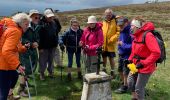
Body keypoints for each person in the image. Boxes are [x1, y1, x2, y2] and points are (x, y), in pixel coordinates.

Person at [127, 16, 161, 100]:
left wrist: (143, 63)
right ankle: (135, 98)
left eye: (132, 26)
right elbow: (134, 51)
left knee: (139, 88)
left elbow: (156, 53)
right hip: (135, 65)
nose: (130, 27)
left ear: (137, 26)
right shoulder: (136, 35)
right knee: (130, 82)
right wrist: (129, 60)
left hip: (146, 66)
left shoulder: (148, 36)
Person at [0, 13, 30, 100]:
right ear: (21, 23)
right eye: (26, 24)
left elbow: (16, 46)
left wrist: (24, 48)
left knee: (15, 76)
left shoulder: (13, 29)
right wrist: (17, 65)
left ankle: (10, 95)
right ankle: (7, 95)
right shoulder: (15, 31)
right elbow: (6, 51)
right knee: (3, 92)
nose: (28, 26)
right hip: (4, 65)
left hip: (7, 63)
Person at [18, 9, 41, 97]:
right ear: (30, 17)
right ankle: (21, 89)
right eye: (34, 16)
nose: (37, 17)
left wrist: (37, 42)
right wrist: (31, 44)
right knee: (23, 69)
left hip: (32, 50)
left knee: (30, 68)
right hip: (24, 51)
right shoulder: (24, 26)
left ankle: (26, 83)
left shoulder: (36, 26)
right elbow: (21, 38)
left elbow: (37, 37)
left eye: (38, 16)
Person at [38, 9, 59, 80]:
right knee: (43, 61)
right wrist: (40, 47)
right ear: (45, 16)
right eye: (49, 17)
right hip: (44, 46)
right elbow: (39, 36)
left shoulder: (53, 22)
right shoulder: (40, 23)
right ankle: (42, 73)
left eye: (51, 17)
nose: (51, 18)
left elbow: (56, 32)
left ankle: (50, 72)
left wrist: (56, 42)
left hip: (52, 45)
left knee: (51, 60)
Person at [114, 17, 132, 94]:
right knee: (120, 70)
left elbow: (132, 46)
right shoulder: (121, 31)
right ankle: (124, 83)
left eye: (121, 25)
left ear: (126, 23)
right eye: (119, 25)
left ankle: (125, 87)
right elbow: (120, 41)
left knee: (125, 72)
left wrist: (122, 44)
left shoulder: (130, 32)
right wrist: (119, 47)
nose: (120, 26)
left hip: (127, 56)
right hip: (121, 54)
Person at [102, 8, 120, 77]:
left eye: (109, 14)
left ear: (111, 14)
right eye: (107, 14)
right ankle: (104, 69)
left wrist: (112, 39)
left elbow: (118, 32)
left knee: (111, 58)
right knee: (104, 57)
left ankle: (112, 71)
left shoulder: (115, 21)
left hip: (111, 44)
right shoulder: (104, 21)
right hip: (103, 44)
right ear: (105, 14)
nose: (108, 16)